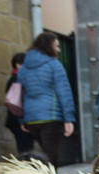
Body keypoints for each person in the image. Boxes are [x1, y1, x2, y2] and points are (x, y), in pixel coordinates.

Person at [17, 31, 76, 166]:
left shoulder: (24, 68)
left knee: (44, 152)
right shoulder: (54, 65)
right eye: (57, 46)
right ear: (48, 46)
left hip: (31, 118)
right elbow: (64, 92)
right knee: (51, 154)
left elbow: (19, 94)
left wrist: (22, 119)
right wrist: (69, 119)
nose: (59, 50)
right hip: (50, 114)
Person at [4, 52, 35, 154]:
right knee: (25, 148)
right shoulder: (18, 78)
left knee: (24, 147)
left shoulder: (14, 78)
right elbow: (19, 101)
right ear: (18, 64)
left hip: (16, 118)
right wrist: (23, 120)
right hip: (20, 118)